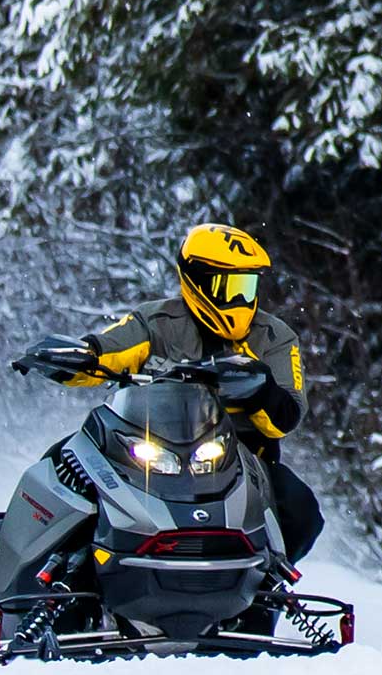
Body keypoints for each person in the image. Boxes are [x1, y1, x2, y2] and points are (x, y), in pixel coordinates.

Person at [60, 224, 323, 563]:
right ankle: (52, 579)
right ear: (197, 280)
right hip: (148, 454)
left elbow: (286, 416)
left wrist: (260, 389)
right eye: (229, 287)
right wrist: (76, 356)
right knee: (61, 468)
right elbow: (111, 349)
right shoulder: (156, 322)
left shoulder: (275, 337)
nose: (240, 300)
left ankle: (265, 585)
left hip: (238, 463)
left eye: (247, 286)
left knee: (301, 512)